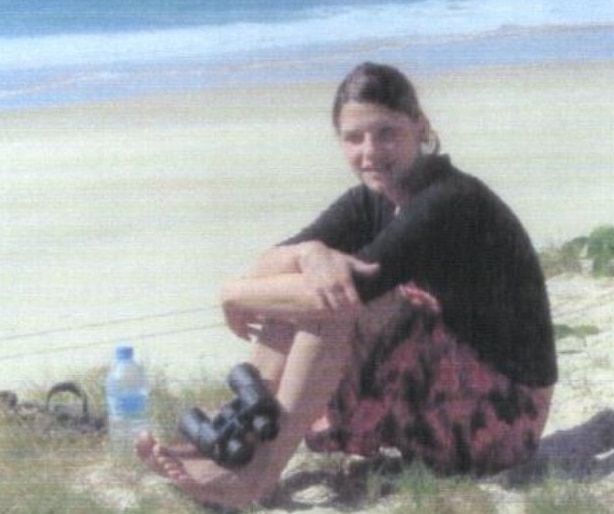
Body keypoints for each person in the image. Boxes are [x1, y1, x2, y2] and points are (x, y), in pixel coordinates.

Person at [138, 61, 557, 509]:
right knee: (308, 291)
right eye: (353, 138)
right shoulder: (372, 199)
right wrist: (307, 253)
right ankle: (233, 443)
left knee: (332, 303)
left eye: (386, 133)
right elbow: (270, 268)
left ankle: (256, 477)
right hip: (446, 384)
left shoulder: (448, 200)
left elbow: (343, 294)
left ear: (420, 127)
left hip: (501, 416)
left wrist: (231, 293)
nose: (369, 151)